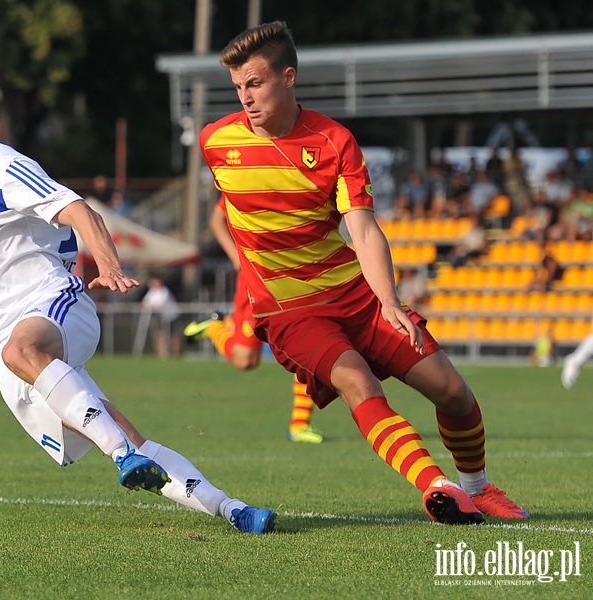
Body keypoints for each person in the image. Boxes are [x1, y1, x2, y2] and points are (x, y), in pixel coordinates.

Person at [0, 66, 276, 534]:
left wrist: (108, 266)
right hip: (4, 338)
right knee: (127, 433)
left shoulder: (4, 165)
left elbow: (81, 211)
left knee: (25, 353)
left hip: (55, 304)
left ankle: (120, 455)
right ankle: (232, 509)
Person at [199, 21, 526, 525]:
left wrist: (390, 302)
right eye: (238, 87)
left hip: (357, 297)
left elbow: (365, 232)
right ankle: (434, 488)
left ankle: (477, 489)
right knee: (358, 382)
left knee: (454, 392)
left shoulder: (334, 142)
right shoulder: (216, 143)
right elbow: (229, 214)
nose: (245, 97)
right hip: (290, 310)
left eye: (256, 83)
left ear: (288, 78)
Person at [185, 197, 323, 444]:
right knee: (246, 360)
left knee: (312, 343)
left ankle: (299, 425)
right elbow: (217, 220)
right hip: (256, 278)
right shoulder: (246, 171)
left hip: (296, 274)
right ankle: (215, 326)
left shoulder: (297, 171)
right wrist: (236, 257)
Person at [140, 276, 181, 359]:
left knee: (173, 335)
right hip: (161, 317)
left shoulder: (164, 291)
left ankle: (175, 354)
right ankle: (162, 354)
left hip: (170, 316)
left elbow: (160, 304)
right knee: (160, 334)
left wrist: (151, 306)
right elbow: (145, 303)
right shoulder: (151, 292)